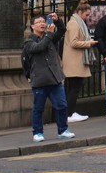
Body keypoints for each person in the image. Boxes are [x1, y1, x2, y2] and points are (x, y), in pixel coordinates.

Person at [23, 13, 75, 142]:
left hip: (55, 79)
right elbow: (39, 48)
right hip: (40, 80)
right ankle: (38, 132)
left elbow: (62, 30)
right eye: (39, 22)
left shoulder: (50, 37)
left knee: (62, 105)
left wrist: (58, 21)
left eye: (43, 21)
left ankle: (63, 130)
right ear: (32, 26)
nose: (42, 24)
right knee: (38, 108)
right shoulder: (29, 42)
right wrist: (49, 34)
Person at [61, 0, 98, 123]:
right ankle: (69, 114)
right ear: (80, 12)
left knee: (73, 88)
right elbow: (74, 42)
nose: (87, 17)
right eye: (86, 15)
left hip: (75, 60)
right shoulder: (74, 23)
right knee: (74, 88)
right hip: (74, 61)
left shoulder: (77, 22)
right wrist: (89, 43)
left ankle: (69, 113)